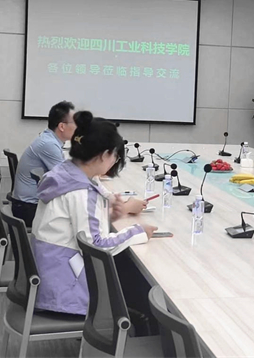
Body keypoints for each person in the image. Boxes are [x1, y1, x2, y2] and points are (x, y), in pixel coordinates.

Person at [31, 111, 156, 315]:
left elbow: (79, 224)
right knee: (138, 283)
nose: (115, 162)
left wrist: (109, 214)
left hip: (49, 273)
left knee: (126, 267)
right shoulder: (81, 191)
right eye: (115, 156)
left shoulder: (65, 172)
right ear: (105, 154)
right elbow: (96, 246)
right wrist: (138, 231)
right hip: (64, 291)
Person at [11, 101, 76, 227]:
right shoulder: (49, 144)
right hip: (27, 208)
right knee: (75, 218)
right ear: (62, 126)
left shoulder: (49, 139)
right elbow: (66, 179)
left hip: (27, 204)